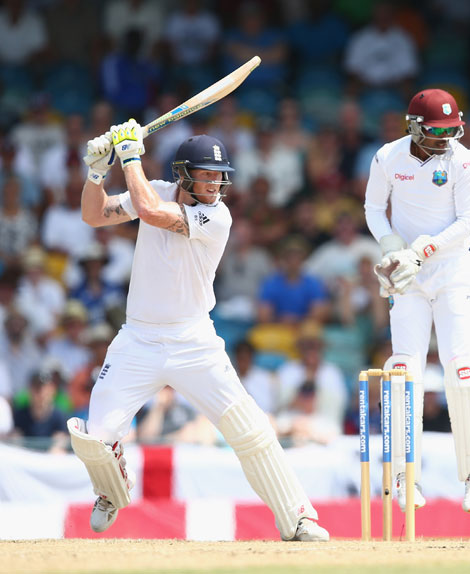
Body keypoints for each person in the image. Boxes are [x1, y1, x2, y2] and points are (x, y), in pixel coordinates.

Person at [72, 121, 328, 540]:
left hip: (194, 342)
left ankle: (297, 517)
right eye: (205, 175)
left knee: (250, 431)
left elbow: (152, 212)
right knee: (96, 435)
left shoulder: (217, 217)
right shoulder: (154, 188)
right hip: (137, 338)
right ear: (182, 175)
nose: (213, 183)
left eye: (218, 176)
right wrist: (98, 172)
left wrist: (130, 154)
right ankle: (110, 490)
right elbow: (92, 214)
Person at [364, 88, 470, 513]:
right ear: (413, 127)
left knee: (462, 365)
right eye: (435, 133)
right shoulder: (388, 157)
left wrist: (420, 252)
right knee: (404, 367)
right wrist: (392, 248)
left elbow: (468, 221)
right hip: (407, 272)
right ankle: (403, 477)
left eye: (449, 131)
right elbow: (373, 209)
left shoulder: (464, 161)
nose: (444, 140)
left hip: (452, 270)